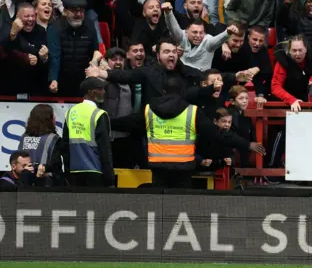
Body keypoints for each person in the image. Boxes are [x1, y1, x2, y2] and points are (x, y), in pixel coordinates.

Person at [110, 77, 265, 188]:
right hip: (183, 169)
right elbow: (219, 134)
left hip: (158, 167)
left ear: (163, 91)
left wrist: (105, 120)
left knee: (158, 206)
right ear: (183, 91)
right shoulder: (192, 112)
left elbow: (127, 123)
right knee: (182, 207)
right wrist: (247, 144)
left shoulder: (148, 110)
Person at [58, 77, 114, 187]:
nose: (104, 92)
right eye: (100, 89)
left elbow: (65, 145)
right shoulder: (99, 114)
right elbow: (105, 148)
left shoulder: (71, 112)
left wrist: (68, 170)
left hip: (74, 171)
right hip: (95, 170)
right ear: (91, 92)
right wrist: (109, 176)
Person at [16, 104, 61, 186]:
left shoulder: (24, 136)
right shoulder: (53, 138)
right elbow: (56, 166)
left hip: (25, 181)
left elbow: (17, 158)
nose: (55, 117)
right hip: (46, 182)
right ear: (47, 119)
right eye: (52, 115)